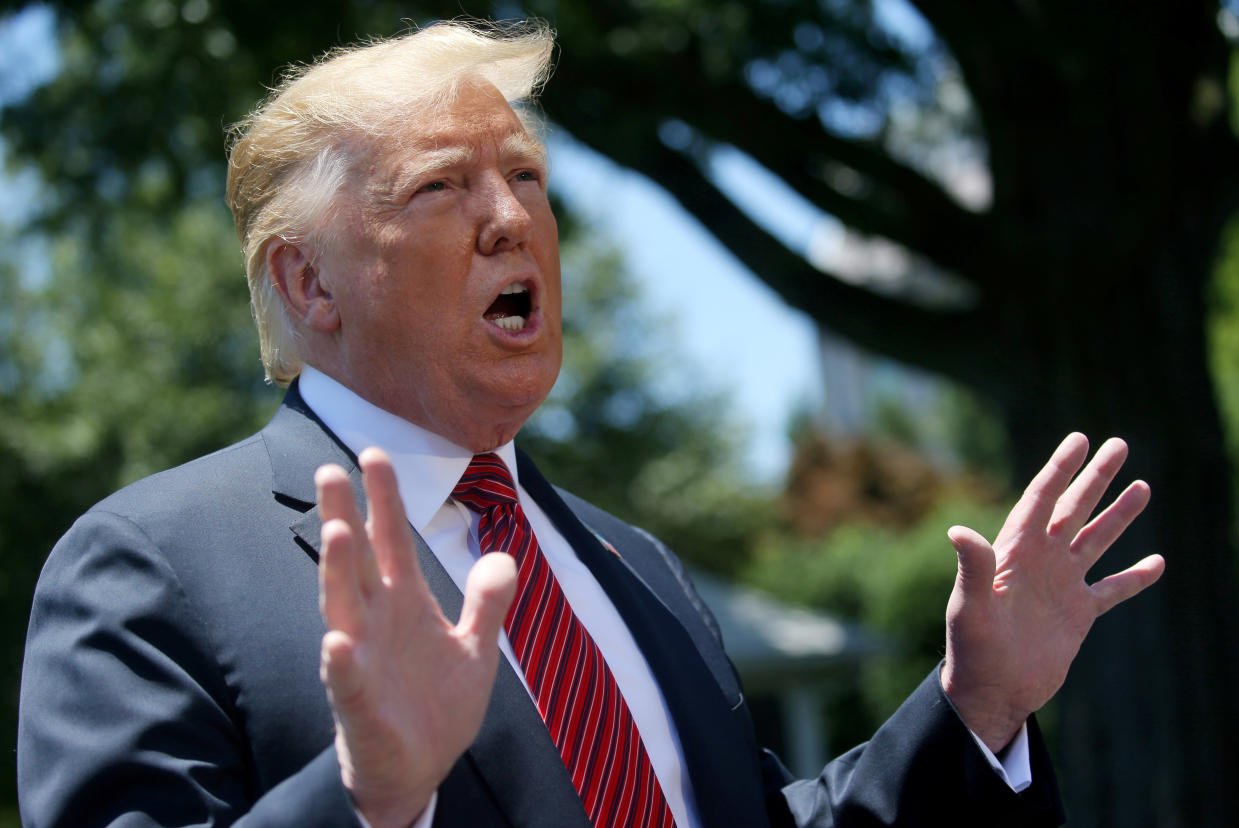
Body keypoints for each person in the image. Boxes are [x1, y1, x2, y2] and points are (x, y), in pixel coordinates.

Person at [17, 19, 1165, 828]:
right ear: (310, 284)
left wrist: (977, 707)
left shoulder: (638, 568)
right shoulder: (154, 569)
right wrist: (370, 799)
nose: (512, 217)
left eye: (526, 176)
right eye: (440, 188)